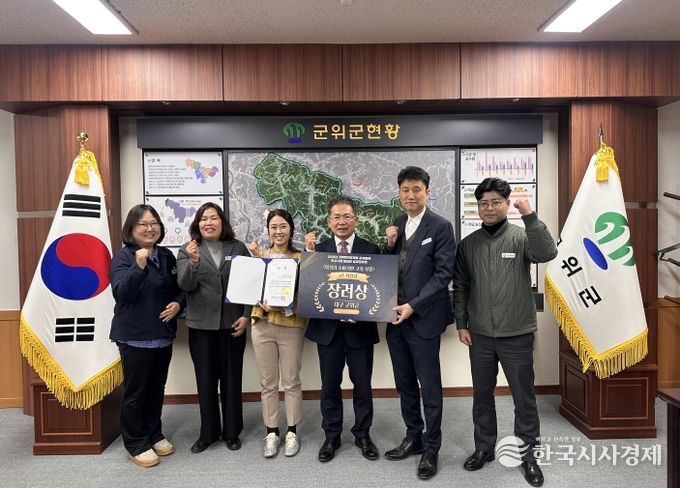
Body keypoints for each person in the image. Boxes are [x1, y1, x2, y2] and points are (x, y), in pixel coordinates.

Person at [453, 177, 557, 488]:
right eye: (483, 203)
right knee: (481, 395)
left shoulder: (522, 237)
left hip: (517, 333)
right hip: (480, 335)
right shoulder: (468, 245)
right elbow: (461, 287)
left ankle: (528, 455)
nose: (489, 208)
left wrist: (530, 216)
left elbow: (547, 253)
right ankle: (484, 448)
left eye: (496, 202)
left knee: (524, 398)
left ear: (507, 204)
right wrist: (461, 324)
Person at [383, 166, 456, 480]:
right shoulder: (398, 224)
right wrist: (389, 245)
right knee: (404, 384)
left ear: (427, 192)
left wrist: (413, 306)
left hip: (423, 319)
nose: (410, 195)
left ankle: (431, 448)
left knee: (430, 386)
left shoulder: (441, 226)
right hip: (395, 320)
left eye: (416, 189)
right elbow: (389, 269)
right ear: (399, 193)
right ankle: (413, 437)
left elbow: (443, 274)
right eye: (405, 190)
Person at [304, 196, 381, 463]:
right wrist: (308, 256)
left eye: (347, 216)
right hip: (329, 332)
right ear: (328, 222)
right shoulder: (318, 250)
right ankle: (332, 435)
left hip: (360, 332)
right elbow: (309, 287)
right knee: (329, 386)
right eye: (336, 217)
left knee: (363, 386)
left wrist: (361, 312)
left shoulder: (371, 249)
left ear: (355, 220)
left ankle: (363, 434)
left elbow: (379, 288)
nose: (341, 222)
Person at [109, 204, 183, 468]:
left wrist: (178, 304)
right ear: (131, 229)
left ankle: (154, 434)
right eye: (143, 224)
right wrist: (138, 267)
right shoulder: (123, 257)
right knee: (136, 392)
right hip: (135, 337)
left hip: (162, 335)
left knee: (156, 389)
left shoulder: (166, 256)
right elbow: (122, 294)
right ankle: (136, 443)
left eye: (154, 223)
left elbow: (178, 289)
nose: (150, 228)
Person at [176, 202, 251, 454]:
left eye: (213, 218)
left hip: (232, 324)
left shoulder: (237, 247)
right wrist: (194, 261)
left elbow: (250, 282)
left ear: (222, 222)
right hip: (201, 327)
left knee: (232, 380)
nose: (208, 223)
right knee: (205, 381)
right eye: (203, 219)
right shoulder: (187, 250)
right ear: (197, 224)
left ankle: (232, 432)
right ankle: (208, 434)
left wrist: (247, 316)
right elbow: (185, 285)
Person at [248, 209, 308, 458]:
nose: (278, 231)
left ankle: (292, 431)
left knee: (291, 380)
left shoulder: (302, 258)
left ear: (291, 229)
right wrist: (259, 300)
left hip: (291, 325)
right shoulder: (259, 257)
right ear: (268, 230)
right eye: (273, 227)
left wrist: (284, 305)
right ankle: (272, 432)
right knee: (267, 382)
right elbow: (247, 289)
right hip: (261, 326)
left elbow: (307, 294)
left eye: (283, 226)